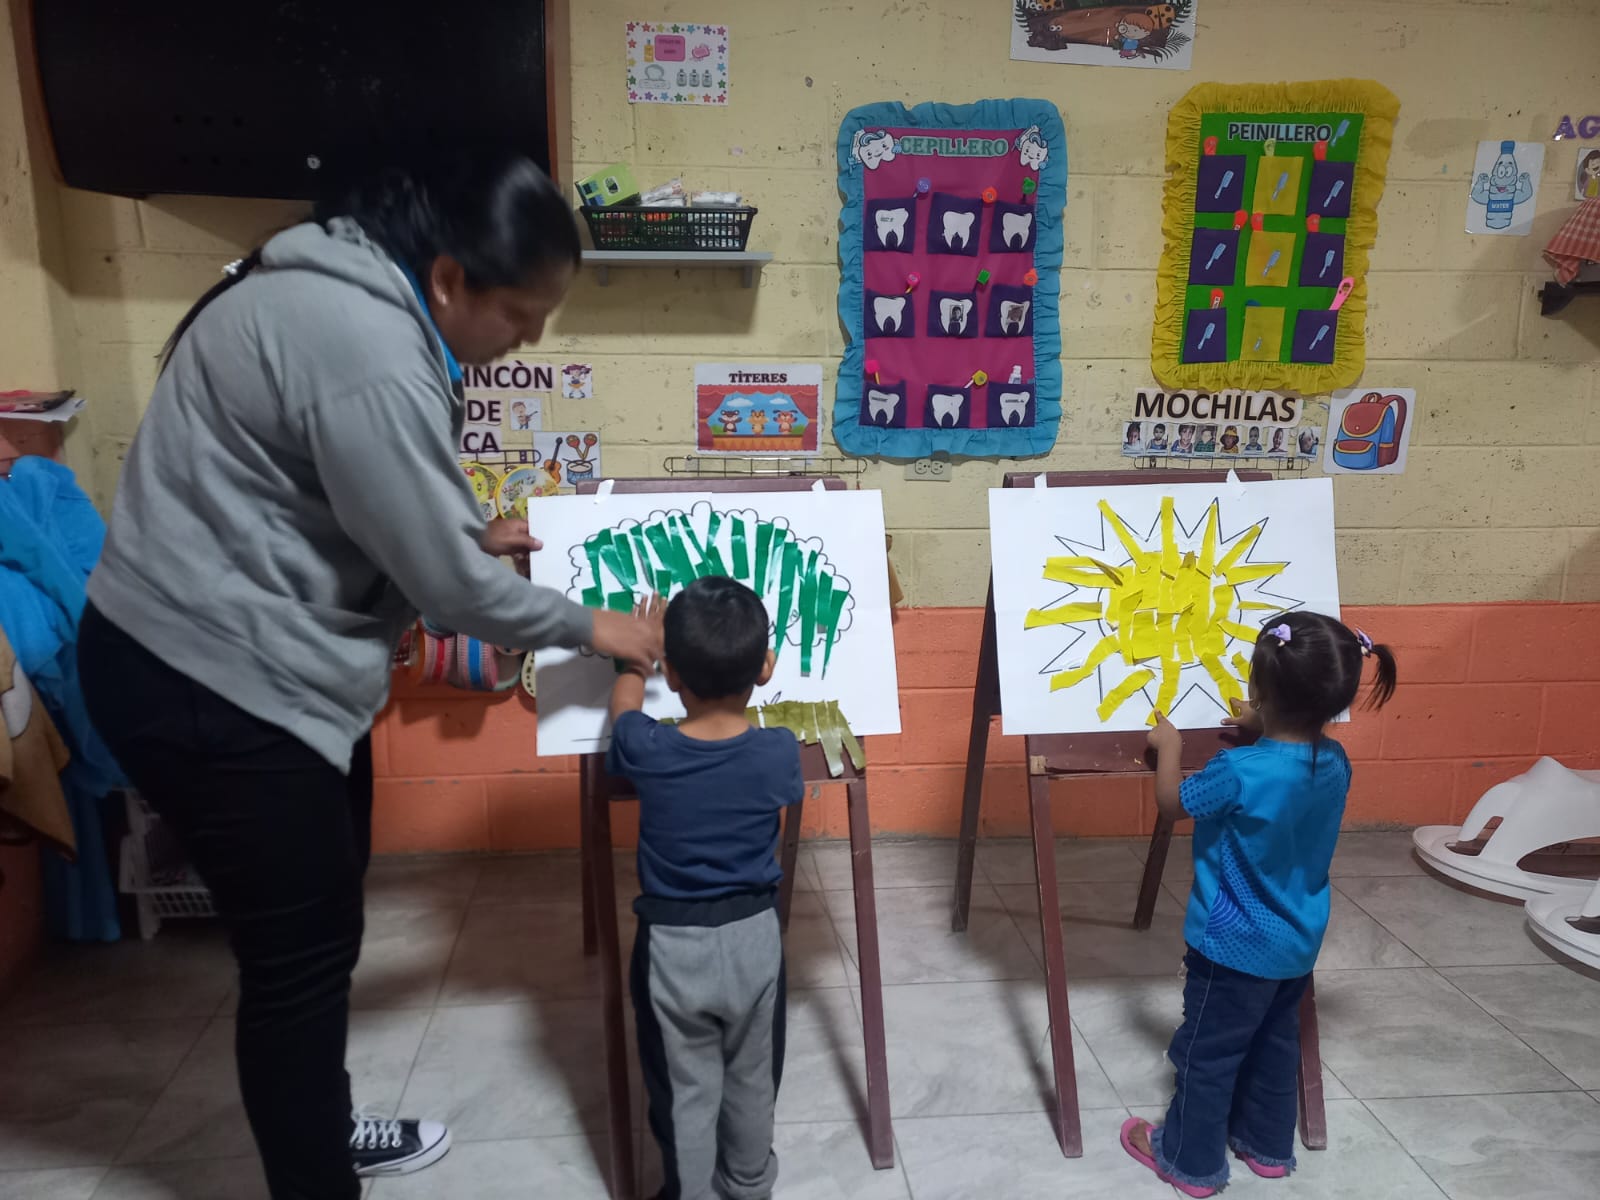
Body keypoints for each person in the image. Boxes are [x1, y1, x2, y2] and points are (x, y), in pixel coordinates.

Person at [77, 152, 660, 1200]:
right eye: (521, 314)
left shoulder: (340, 292)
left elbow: (330, 490)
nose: (530, 338)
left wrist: (461, 531)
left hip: (265, 670)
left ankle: (321, 1130)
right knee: (297, 967)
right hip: (210, 678)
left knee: (324, 925)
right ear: (449, 278)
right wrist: (599, 629)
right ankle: (316, 1174)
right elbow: (453, 598)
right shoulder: (366, 342)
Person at [1121, 612, 1398, 1196]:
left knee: (1208, 1054)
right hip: (1296, 942)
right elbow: (1287, 773)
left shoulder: (1236, 771)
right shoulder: (1336, 764)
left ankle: (1189, 1163)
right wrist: (1262, 723)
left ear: (1258, 689)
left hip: (1230, 945)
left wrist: (1169, 747)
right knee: (1276, 1044)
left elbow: (1173, 804)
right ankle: (1267, 1148)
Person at [607, 580, 802, 1200]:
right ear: (765, 667)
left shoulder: (648, 748)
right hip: (755, 941)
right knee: (752, 1080)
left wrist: (634, 661)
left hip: (672, 947)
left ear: (671, 674)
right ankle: (748, 1185)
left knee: (683, 1089)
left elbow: (624, 715)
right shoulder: (779, 753)